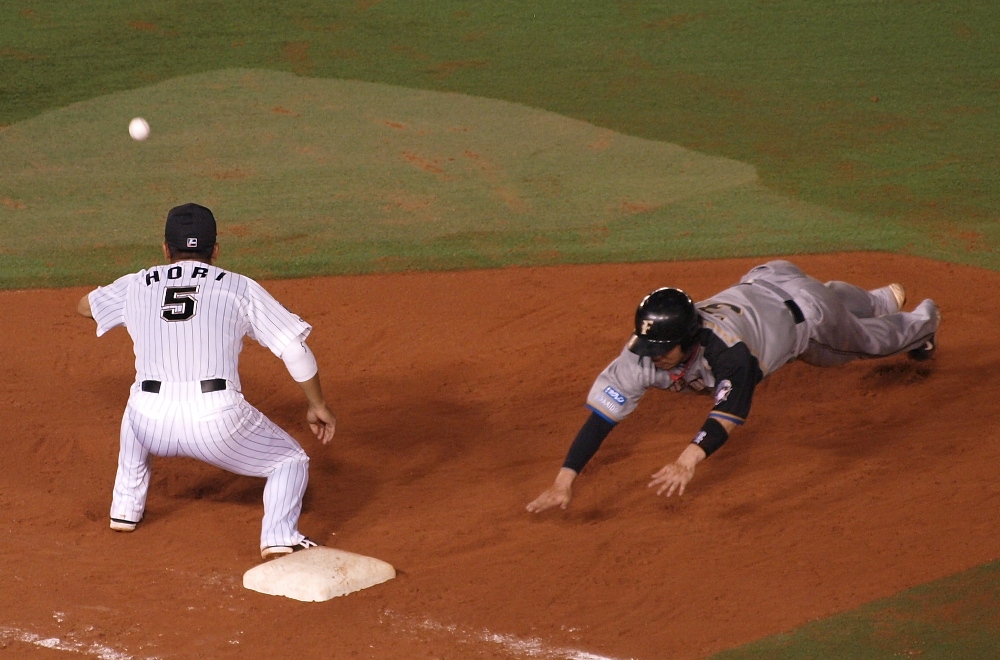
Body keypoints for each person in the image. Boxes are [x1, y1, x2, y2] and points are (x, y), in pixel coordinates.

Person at [527, 260, 939, 513]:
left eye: (662, 348)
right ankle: (876, 300)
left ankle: (923, 324)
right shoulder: (641, 352)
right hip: (771, 279)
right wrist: (564, 481)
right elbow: (601, 419)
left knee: (859, 346)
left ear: (688, 339)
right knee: (830, 298)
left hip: (807, 317)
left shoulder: (730, 354)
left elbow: (728, 414)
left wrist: (685, 462)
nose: (651, 355)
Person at [77, 203, 336, 560]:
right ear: (214, 250)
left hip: (151, 423)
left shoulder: (138, 283)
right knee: (290, 461)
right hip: (216, 423)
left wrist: (133, 302)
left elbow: (85, 306)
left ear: (166, 249)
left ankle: (125, 508)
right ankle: (279, 536)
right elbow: (295, 350)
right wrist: (317, 405)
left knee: (137, 397)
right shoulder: (239, 287)